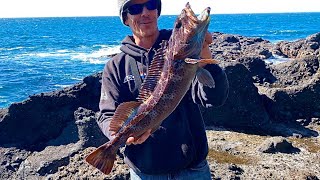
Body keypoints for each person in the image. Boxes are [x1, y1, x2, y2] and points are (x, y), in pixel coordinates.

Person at [96, 0, 229, 179]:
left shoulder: (177, 52)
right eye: (135, 9)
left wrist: (205, 58)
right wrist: (118, 137)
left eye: (150, 5)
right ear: (125, 19)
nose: (145, 12)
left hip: (193, 170)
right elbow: (106, 115)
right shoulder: (115, 67)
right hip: (145, 173)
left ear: (157, 11)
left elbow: (214, 99)